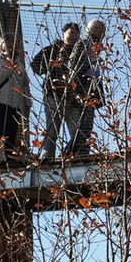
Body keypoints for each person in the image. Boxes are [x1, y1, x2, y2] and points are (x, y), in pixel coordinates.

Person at [31, 22, 93, 160]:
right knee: (52, 131)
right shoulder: (52, 50)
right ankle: (48, 158)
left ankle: (74, 157)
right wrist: (51, 67)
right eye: (71, 33)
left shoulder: (81, 53)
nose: (73, 37)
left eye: (76, 34)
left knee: (77, 132)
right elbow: (35, 65)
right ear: (63, 33)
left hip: (74, 98)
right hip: (54, 95)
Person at [71, 19, 109, 155]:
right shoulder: (84, 44)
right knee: (83, 126)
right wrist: (79, 91)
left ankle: (80, 152)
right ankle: (78, 153)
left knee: (87, 126)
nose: (103, 33)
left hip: (90, 91)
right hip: (84, 91)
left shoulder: (94, 47)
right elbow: (75, 68)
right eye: (101, 29)